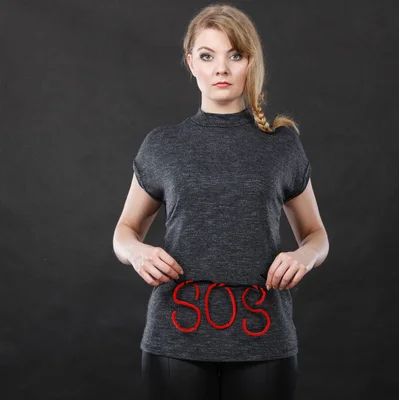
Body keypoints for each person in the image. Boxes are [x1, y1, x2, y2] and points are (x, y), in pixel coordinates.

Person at [112, 3, 329, 399]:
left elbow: (316, 235)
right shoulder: (162, 145)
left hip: (263, 337)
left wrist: (304, 256)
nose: (221, 69)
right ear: (191, 62)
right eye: (208, 56)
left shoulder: (281, 145)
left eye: (235, 55)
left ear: (251, 61)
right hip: (175, 339)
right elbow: (124, 232)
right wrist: (137, 252)